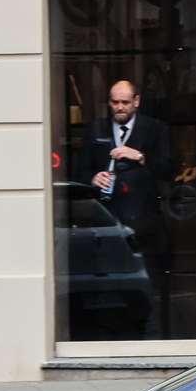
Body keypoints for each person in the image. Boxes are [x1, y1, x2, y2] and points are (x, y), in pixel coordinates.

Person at [82, 80, 171, 335]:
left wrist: (140, 156)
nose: (119, 107)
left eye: (124, 102)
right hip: (107, 224)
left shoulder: (154, 129)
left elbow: (167, 170)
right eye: (114, 102)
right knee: (110, 290)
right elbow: (80, 171)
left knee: (145, 290)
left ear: (137, 101)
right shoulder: (95, 129)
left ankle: (147, 338)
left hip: (143, 226)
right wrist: (92, 179)